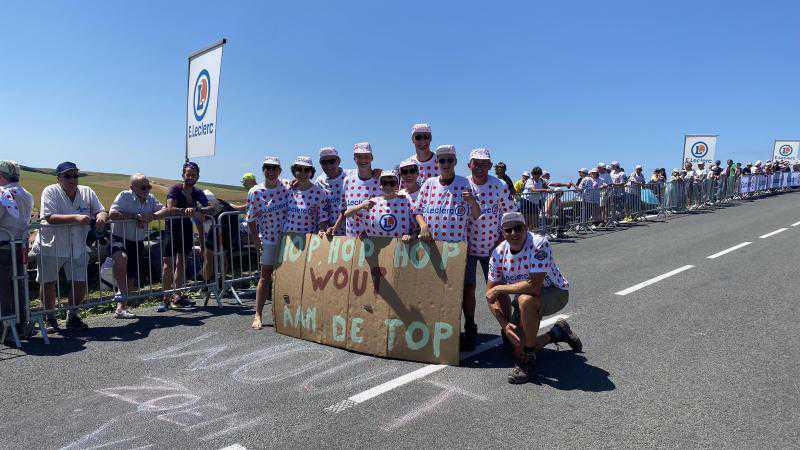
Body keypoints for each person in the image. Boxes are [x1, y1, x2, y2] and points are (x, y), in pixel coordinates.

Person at [485, 212, 581, 384]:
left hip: (555, 292)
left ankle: (528, 360)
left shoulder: (539, 243)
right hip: (525, 295)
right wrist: (505, 324)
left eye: (518, 228)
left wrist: (500, 288)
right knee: (513, 347)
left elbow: (533, 286)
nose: (514, 233)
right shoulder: (498, 253)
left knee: (525, 300)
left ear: (526, 228)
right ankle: (557, 332)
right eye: (508, 230)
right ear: (502, 232)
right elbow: (490, 295)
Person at [414, 144, 481, 348]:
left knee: (464, 291)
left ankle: (469, 326)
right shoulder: (428, 184)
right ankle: (441, 332)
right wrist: (423, 225)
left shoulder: (465, 184)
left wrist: (471, 202)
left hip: (457, 249)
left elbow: (477, 215)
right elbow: (417, 210)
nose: (445, 164)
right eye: (441, 160)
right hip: (434, 248)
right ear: (436, 163)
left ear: (455, 162)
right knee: (437, 291)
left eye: (449, 160)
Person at [38, 161, 108, 332]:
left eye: (75, 175)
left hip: (78, 245)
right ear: (59, 178)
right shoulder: (50, 191)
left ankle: (72, 315)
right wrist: (76, 218)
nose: (72, 179)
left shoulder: (87, 191)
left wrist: (101, 217)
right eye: (67, 176)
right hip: (53, 245)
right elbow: (49, 217)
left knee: (80, 282)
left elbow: (101, 209)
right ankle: (50, 317)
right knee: (49, 283)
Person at [464, 148, 515, 350]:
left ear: (490, 166)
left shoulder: (500, 185)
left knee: (499, 291)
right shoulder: (463, 184)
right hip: (467, 247)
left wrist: (502, 240)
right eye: (476, 163)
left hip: (493, 246)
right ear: (469, 165)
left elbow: (510, 214)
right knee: (467, 289)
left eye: (484, 163)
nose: (480, 167)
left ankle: (507, 331)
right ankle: (469, 328)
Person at [107, 174, 175, 319]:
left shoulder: (150, 198)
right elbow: (112, 214)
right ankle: (121, 301)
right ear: (132, 187)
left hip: (137, 241)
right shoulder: (124, 196)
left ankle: (121, 307)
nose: (147, 189)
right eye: (143, 187)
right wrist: (135, 216)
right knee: (121, 259)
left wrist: (152, 216)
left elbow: (164, 210)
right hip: (120, 237)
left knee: (131, 280)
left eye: (148, 186)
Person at [159, 161, 210, 312]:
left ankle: (177, 296)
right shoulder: (175, 189)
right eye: (188, 174)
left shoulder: (197, 192)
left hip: (186, 229)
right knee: (167, 265)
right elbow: (170, 208)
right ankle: (165, 298)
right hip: (172, 229)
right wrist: (185, 210)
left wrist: (196, 208)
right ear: (183, 175)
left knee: (181, 264)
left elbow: (210, 207)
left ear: (197, 177)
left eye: (193, 175)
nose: (190, 177)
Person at [247, 156, 290, 330]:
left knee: (288, 276)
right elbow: (250, 219)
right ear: (263, 170)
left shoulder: (287, 186)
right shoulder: (255, 192)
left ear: (280, 170)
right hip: (270, 239)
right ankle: (257, 314)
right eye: (267, 168)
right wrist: (257, 240)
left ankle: (288, 314)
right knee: (265, 277)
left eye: (274, 168)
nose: (271, 171)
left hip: (289, 240)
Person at [0, 161, 33, 341]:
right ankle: (21, 324)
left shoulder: (3, 194)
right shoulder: (26, 194)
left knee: (4, 287)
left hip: (3, 245)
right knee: (19, 284)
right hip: (20, 245)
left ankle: (6, 327)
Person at [333, 170, 414, 239]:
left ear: (398, 184)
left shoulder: (406, 202)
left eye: (392, 183)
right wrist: (361, 206)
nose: (388, 186)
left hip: (400, 249)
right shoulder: (373, 202)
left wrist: (410, 236)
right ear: (380, 185)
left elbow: (415, 227)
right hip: (376, 249)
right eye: (385, 183)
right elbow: (347, 214)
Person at [329, 142, 382, 237]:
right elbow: (344, 209)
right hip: (351, 239)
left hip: (375, 238)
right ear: (354, 159)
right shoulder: (348, 180)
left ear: (372, 158)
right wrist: (335, 227)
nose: (363, 160)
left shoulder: (381, 179)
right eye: (359, 157)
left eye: (366, 156)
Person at [199, 189, 246, 289]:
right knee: (222, 256)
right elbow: (240, 208)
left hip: (219, 228)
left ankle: (206, 285)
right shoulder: (221, 201)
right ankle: (222, 284)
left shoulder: (202, 207)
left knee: (209, 257)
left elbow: (201, 226)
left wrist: (203, 245)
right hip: (230, 229)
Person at [285, 156, 330, 234]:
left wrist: (321, 230)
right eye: (299, 169)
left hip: (309, 239)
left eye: (306, 170)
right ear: (294, 171)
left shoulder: (319, 193)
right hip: (288, 238)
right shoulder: (288, 189)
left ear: (311, 172)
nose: (303, 173)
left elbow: (323, 217)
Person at [315, 147, 348, 235]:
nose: (328, 166)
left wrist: (377, 172)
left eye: (332, 161)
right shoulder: (319, 181)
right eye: (324, 162)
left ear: (339, 161)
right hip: (329, 233)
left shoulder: (350, 176)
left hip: (351, 232)